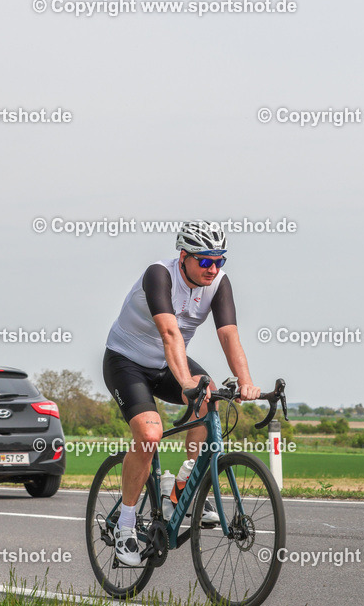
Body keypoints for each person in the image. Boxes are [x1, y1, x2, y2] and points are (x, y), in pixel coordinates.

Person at [103, 221, 261, 566]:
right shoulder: (159, 275)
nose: (213, 268)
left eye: (220, 260)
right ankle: (126, 526)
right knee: (149, 434)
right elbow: (170, 333)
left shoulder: (218, 283)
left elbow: (229, 335)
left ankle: (185, 483)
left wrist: (246, 380)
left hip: (166, 364)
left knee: (211, 396)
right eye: (205, 261)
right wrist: (187, 383)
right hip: (126, 362)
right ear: (184, 256)